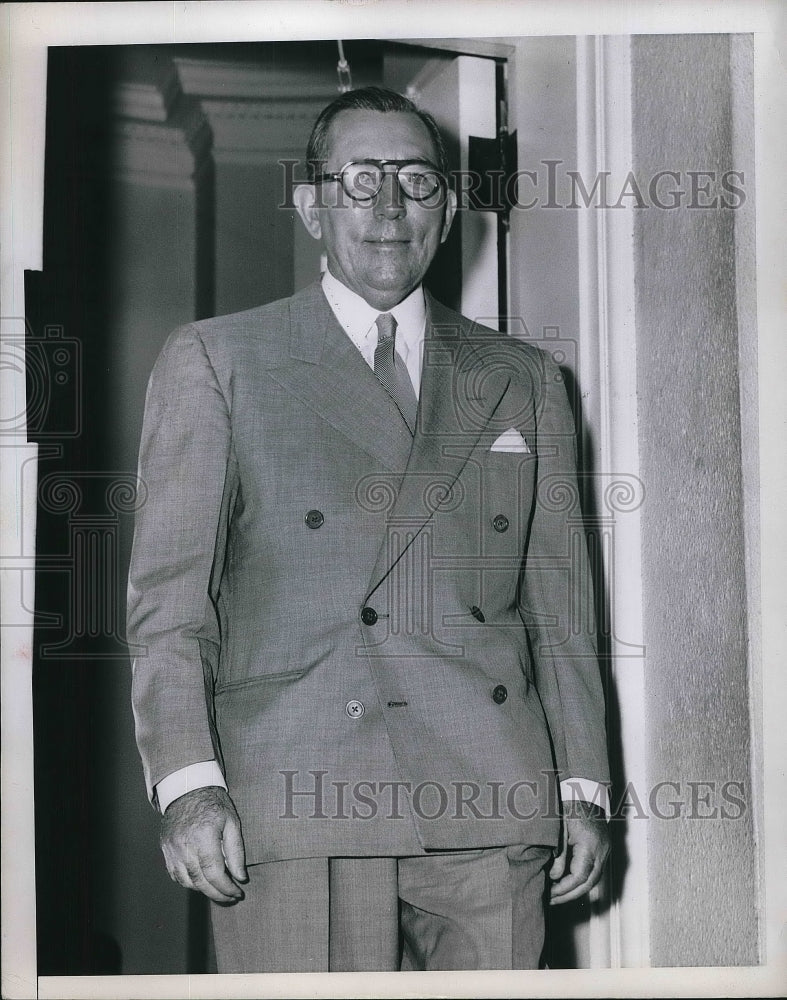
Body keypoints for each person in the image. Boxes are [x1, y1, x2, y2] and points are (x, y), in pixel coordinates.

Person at [127, 86, 610, 973]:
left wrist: (580, 782)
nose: (390, 208)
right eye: (360, 180)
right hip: (298, 788)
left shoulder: (524, 377)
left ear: (449, 204)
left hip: (488, 791)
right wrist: (190, 786)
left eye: (417, 181)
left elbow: (560, 607)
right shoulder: (221, 360)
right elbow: (169, 605)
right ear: (311, 204)